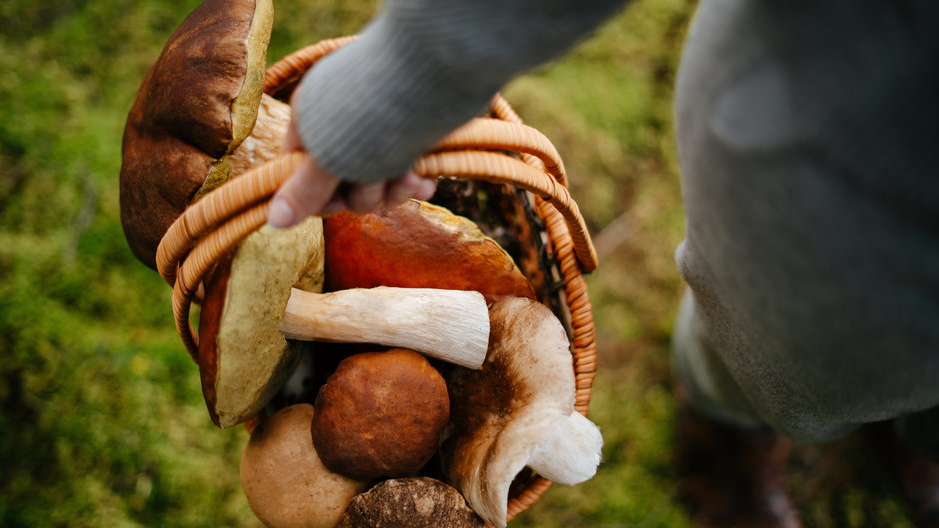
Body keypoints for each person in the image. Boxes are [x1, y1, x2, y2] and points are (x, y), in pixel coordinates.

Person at [266, 0, 939, 526]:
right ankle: (725, 425)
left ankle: (914, 435)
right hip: (821, 167)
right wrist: (405, 79)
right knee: (784, 354)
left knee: (903, 387)